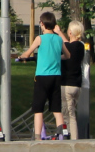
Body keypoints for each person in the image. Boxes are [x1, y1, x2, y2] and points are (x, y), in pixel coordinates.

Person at [20, 11, 70, 140]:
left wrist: (22, 57)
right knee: (56, 108)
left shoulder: (40, 38)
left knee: (38, 108)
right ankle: (62, 133)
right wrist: (57, 57)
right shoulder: (59, 39)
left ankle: (37, 136)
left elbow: (28, 53)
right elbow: (68, 55)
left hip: (42, 76)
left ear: (42, 24)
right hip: (56, 76)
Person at [61, 21, 86, 139]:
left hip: (67, 85)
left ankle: (71, 140)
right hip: (77, 85)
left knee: (68, 115)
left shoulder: (69, 47)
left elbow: (65, 45)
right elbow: (67, 43)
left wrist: (58, 32)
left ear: (70, 32)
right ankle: (71, 139)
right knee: (72, 113)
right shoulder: (81, 46)